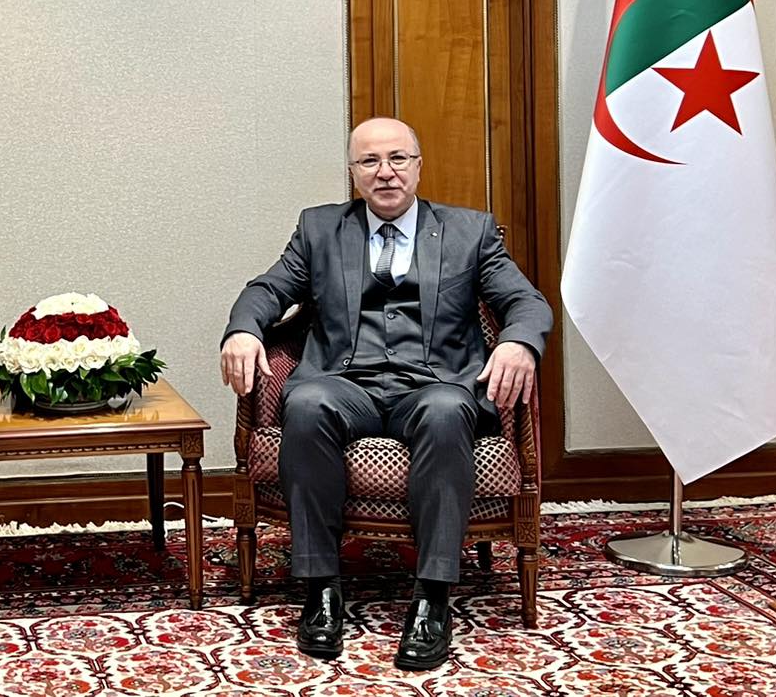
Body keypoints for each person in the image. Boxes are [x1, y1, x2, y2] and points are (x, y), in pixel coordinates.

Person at [219, 118, 551, 671]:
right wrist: (244, 330)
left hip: (435, 385)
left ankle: (432, 596)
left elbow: (526, 302)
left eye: (398, 158)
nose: (386, 172)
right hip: (346, 384)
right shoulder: (319, 230)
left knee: (447, 411)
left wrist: (518, 344)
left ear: (419, 165)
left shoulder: (470, 231)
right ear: (353, 174)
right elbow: (267, 289)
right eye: (370, 162)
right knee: (305, 403)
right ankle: (321, 588)